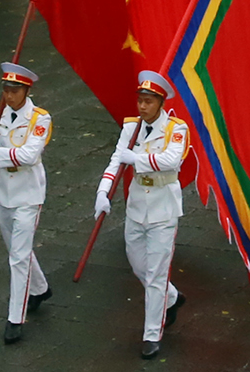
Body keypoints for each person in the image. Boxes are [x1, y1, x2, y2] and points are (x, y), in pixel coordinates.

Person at [95, 71, 190, 358]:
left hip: (163, 206)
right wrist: (103, 191)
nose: (142, 106)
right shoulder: (130, 128)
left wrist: (135, 158)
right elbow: (115, 161)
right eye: (140, 100)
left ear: (161, 103)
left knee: (157, 272)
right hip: (137, 203)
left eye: (148, 101)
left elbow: (170, 160)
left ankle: (152, 333)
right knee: (138, 264)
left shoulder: (176, 129)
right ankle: (171, 298)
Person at [0, 63, 52, 344]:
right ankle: (40, 288)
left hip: (28, 193)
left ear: (26, 91)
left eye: (14, 91)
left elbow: (28, 155)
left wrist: (0, 152)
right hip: (3, 190)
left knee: (17, 257)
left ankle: (15, 318)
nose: (9, 96)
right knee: (16, 247)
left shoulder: (40, 119)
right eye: (6, 90)